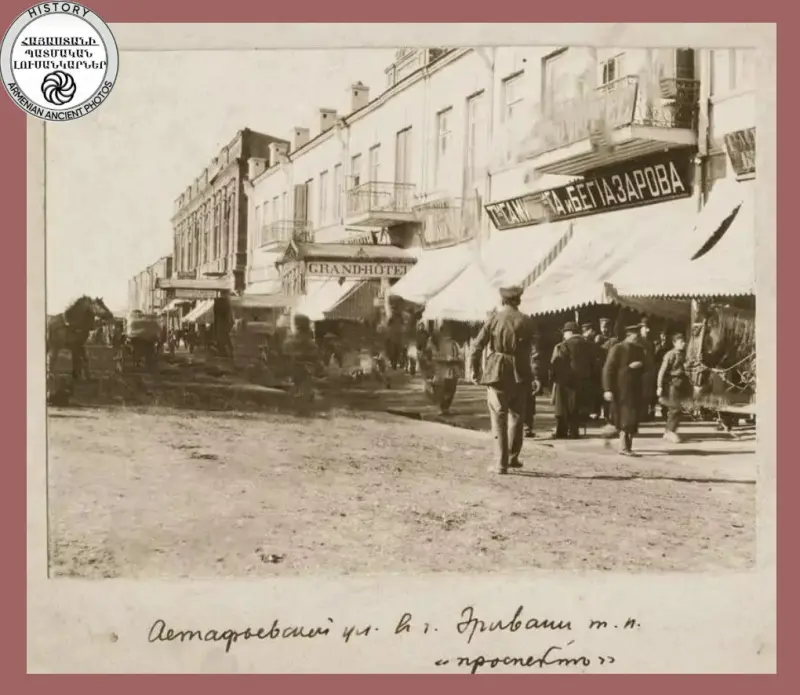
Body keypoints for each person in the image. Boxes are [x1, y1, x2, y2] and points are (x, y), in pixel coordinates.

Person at [468, 286, 535, 475]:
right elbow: (535, 352)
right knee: (517, 417)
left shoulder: (494, 320)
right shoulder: (527, 321)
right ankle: (513, 458)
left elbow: (476, 347)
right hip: (520, 372)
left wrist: (475, 370)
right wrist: (536, 375)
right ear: (518, 300)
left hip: (497, 370)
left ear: (502, 301)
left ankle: (500, 463)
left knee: (499, 416)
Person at [603, 324, 648, 455]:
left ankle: (621, 443)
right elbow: (608, 369)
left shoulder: (639, 349)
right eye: (636, 335)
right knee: (625, 418)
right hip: (620, 389)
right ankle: (624, 447)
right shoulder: (617, 348)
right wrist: (608, 389)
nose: (638, 337)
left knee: (631, 418)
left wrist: (641, 365)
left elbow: (646, 367)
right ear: (629, 336)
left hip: (635, 389)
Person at [550, 321, 593, 439]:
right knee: (576, 406)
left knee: (562, 407)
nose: (564, 335)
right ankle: (574, 432)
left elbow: (558, 362)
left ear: (570, 332)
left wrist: (554, 377)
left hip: (565, 380)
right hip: (582, 380)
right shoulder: (588, 344)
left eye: (565, 332)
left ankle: (562, 432)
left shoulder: (564, 345)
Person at [657, 332, 692, 443]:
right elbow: (662, 371)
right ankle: (669, 432)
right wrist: (659, 386)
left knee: (679, 409)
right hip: (673, 384)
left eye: (684, 341)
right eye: (681, 342)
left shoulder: (684, 354)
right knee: (674, 409)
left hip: (682, 383)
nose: (683, 344)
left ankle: (670, 430)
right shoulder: (670, 355)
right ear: (674, 343)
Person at [426, 322, 462, 415]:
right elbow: (429, 355)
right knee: (441, 390)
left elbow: (460, 356)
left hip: (452, 371)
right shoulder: (433, 342)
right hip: (439, 371)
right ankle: (441, 408)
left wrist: (456, 360)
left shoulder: (454, 343)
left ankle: (445, 409)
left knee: (451, 390)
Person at [582, 322, 605, 420]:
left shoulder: (595, 345)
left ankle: (594, 411)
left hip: (594, 372)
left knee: (594, 393)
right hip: (588, 372)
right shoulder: (584, 343)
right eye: (589, 331)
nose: (592, 333)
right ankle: (589, 412)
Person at [636, 318, 657, 420]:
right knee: (641, 393)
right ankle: (641, 414)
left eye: (648, 328)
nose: (648, 330)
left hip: (649, 371)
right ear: (640, 328)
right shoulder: (638, 342)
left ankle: (645, 413)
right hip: (641, 372)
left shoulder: (650, 342)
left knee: (648, 393)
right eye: (646, 328)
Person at [523, 329, 543, 438]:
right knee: (528, 404)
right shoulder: (533, 350)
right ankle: (526, 428)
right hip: (527, 378)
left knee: (526, 404)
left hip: (520, 378)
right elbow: (535, 365)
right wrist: (536, 378)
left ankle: (525, 428)